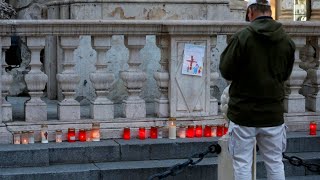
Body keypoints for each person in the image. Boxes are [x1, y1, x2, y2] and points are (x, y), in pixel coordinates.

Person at [219, 0, 295, 180]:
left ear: (251, 12)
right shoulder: (286, 40)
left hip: (244, 112)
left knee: (242, 164)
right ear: (269, 11)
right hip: (273, 113)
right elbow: (285, 74)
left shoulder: (242, 37)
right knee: (275, 163)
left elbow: (225, 70)